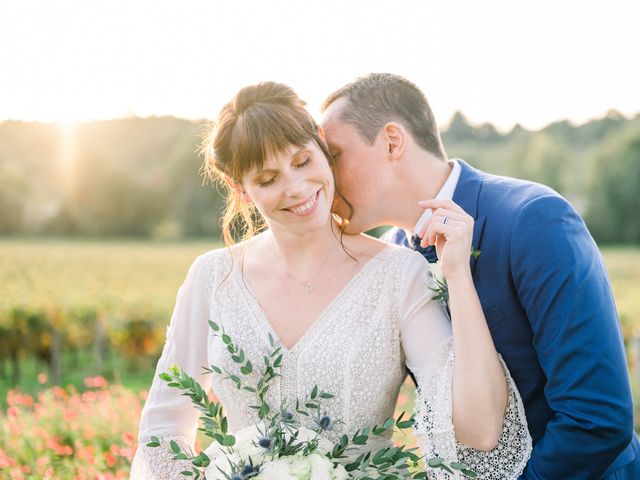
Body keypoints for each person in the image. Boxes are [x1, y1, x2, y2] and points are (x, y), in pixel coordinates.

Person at [130, 82, 531, 479]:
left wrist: (458, 275)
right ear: (241, 188)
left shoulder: (398, 275)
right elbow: (164, 430)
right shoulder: (212, 278)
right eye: (268, 179)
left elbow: (479, 431)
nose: (296, 188)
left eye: (303, 161)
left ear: (322, 147)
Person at [320, 73, 640, 479]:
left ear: (392, 141)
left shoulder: (534, 219)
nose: (324, 178)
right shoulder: (394, 257)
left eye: (334, 155)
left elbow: (596, 417)